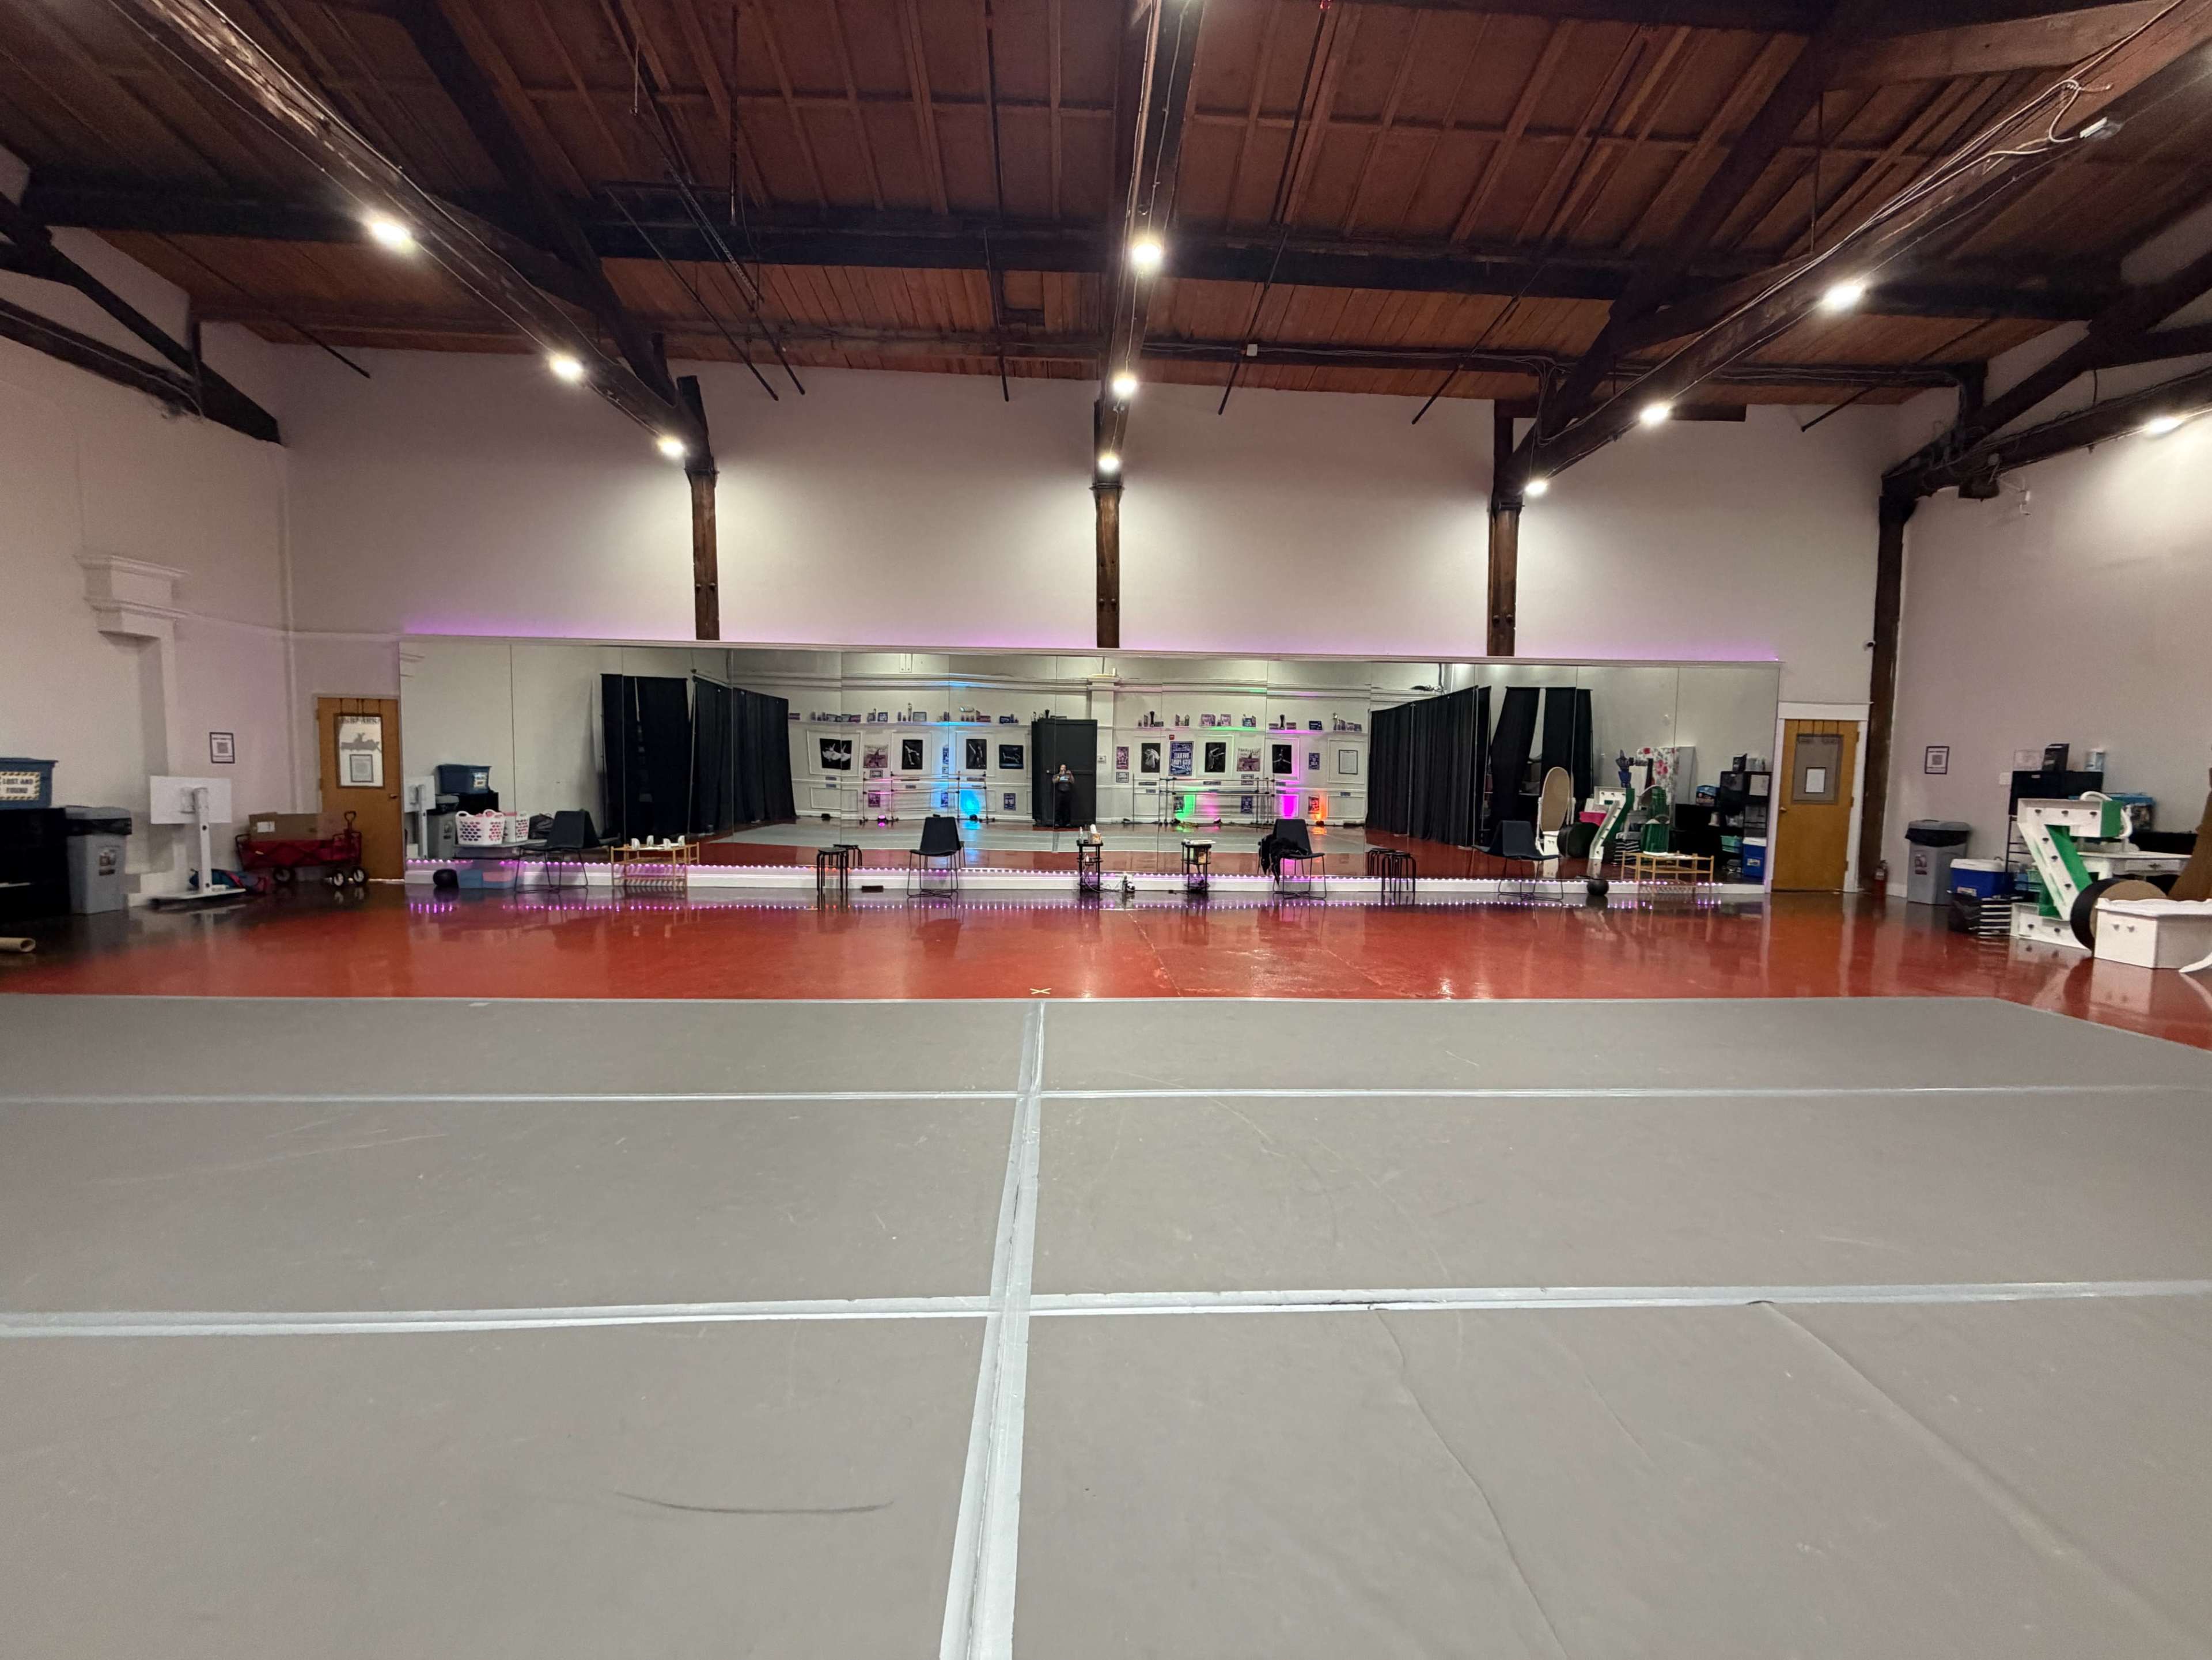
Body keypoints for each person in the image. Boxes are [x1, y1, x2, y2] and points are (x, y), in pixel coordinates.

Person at [1052, 763, 1075, 829]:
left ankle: (1068, 823)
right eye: (1062, 768)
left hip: (1067, 793)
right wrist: (1060, 776)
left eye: (1064, 768)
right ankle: (1057, 823)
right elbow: (1054, 782)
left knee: (1067, 809)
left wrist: (1070, 775)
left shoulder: (1068, 776)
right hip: (1059, 793)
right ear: (1060, 768)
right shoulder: (1056, 775)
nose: (1063, 769)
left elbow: (1073, 782)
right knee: (1058, 808)